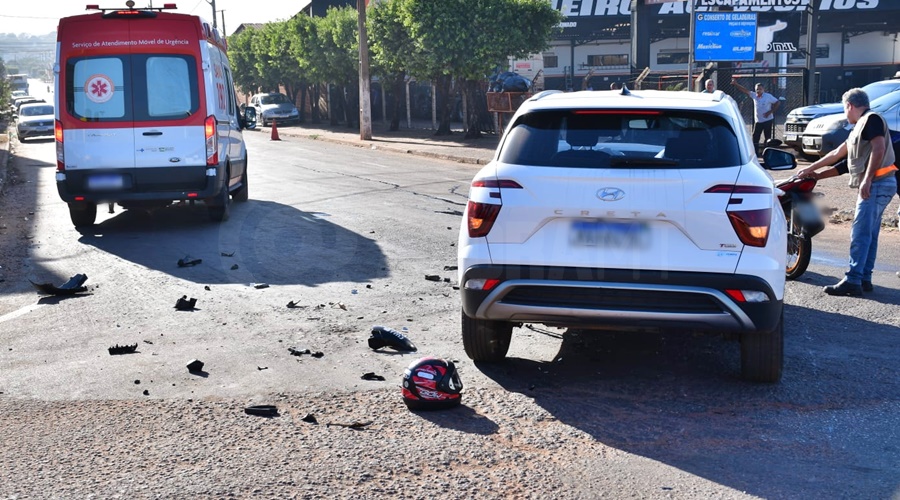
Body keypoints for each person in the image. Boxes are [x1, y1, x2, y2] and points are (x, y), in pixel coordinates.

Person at [797, 88, 898, 296]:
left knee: (860, 233)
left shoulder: (871, 119)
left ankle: (853, 280)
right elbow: (838, 155)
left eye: (845, 109)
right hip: (880, 184)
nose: (845, 114)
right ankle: (864, 278)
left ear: (850, 105)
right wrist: (812, 171)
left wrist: (867, 180)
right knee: (869, 233)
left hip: (877, 183)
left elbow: (879, 149)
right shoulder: (860, 127)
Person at [731, 79, 780, 151]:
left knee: (767, 138)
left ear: (763, 89)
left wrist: (770, 112)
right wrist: (736, 84)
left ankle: (766, 152)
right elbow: (745, 90)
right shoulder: (754, 95)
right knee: (755, 137)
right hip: (758, 121)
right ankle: (756, 153)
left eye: (760, 89)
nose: (758, 91)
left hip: (767, 120)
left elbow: (777, 102)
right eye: (757, 89)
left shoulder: (768, 96)